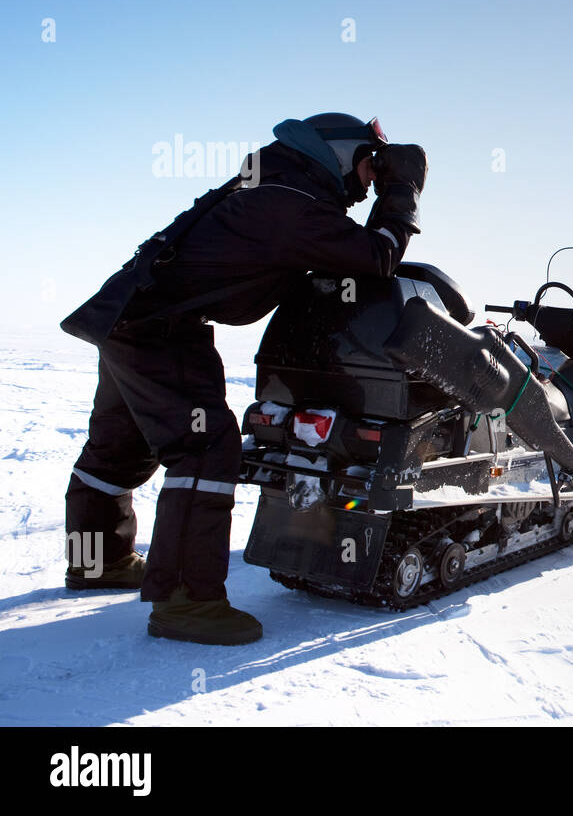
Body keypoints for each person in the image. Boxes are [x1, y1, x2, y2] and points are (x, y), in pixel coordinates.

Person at [60, 113, 427, 645]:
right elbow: (377, 257)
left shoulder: (268, 184)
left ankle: (97, 562)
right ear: (342, 154)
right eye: (370, 168)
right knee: (206, 449)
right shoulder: (289, 204)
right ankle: (186, 602)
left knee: (121, 445)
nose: (369, 182)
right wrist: (404, 193)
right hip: (160, 330)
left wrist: (387, 181)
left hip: (133, 318)